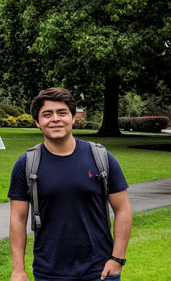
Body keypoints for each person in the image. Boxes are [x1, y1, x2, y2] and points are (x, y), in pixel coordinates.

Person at [8, 88, 132, 281]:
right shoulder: (26, 165)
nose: (55, 119)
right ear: (37, 122)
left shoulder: (101, 157)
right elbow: (17, 219)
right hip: (49, 273)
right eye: (47, 114)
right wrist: (18, 269)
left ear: (73, 118)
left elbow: (123, 209)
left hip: (99, 272)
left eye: (62, 112)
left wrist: (117, 259)